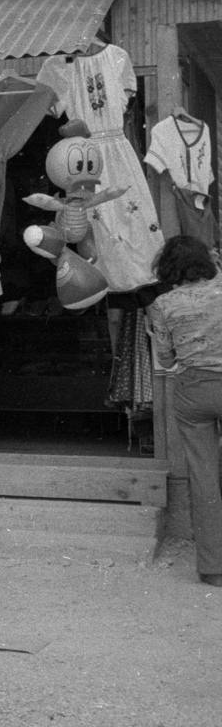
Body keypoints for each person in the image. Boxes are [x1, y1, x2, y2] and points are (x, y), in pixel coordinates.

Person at [148, 235, 222, 587]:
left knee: (203, 477)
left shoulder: (163, 305)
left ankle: (213, 568)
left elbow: (166, 359)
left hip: (193, 390)